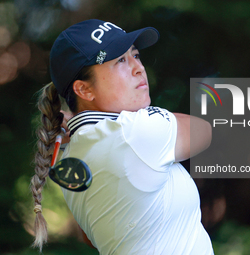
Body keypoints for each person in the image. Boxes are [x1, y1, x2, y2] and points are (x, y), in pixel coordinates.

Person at [31, 19, 213, 254]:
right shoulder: (131, 133)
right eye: (120, 60)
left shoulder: (69, 157)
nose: (139, 68)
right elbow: (206, 131)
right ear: (84, 89)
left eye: (135, 55)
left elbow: (91, 237)